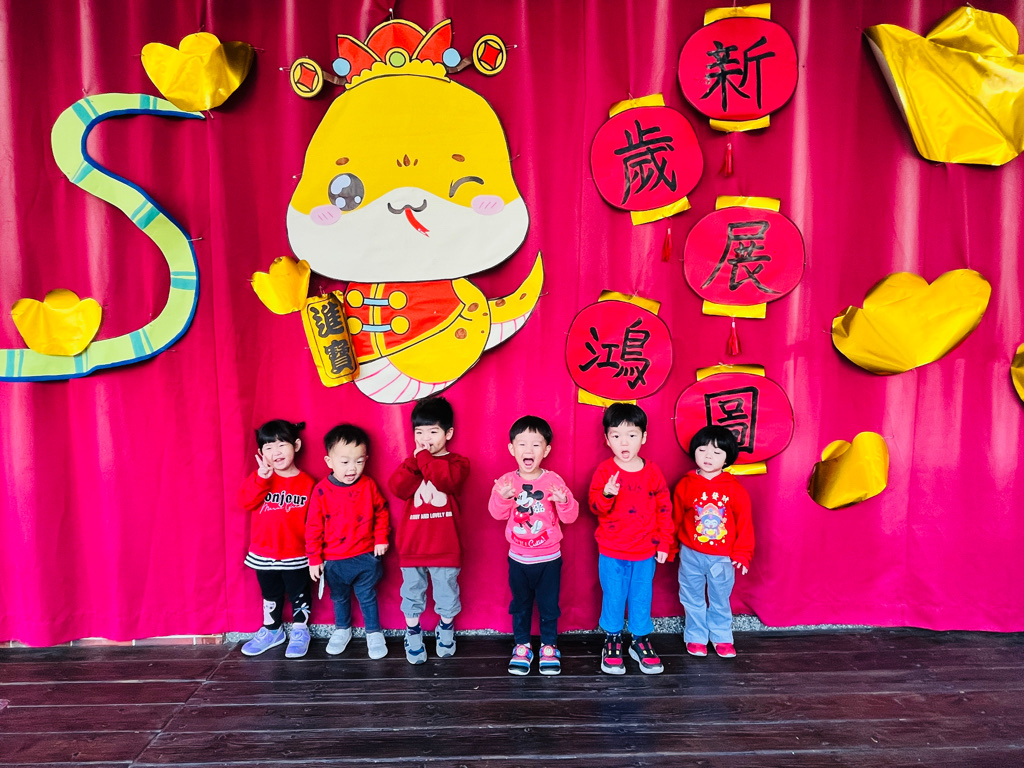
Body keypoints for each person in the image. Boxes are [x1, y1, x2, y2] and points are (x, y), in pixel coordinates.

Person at [587, 403, 674, 676]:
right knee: (613, 595)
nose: (624, 442)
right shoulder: (604, 471)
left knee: (641, 596)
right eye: (616, 435)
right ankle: (612, 638)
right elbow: (595, 507)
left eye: (632, 435)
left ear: (644, 437)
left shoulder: (653, 471)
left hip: (645, 551)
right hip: (612, 550)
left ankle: (639, 639)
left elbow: (664, 508)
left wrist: (665, 542)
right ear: (607, 439)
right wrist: (607, 494)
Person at [489, 416, 579, 676]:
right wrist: (503, 498)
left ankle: (549, 646)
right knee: (520, 605)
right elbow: (495, 514)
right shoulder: (506, 482)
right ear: (511, 449)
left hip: (549, 559)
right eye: (522, 444)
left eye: (536, 445)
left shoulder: (554, 481)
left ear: (546, 450)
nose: (528, 450)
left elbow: (570, 517)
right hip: (518, 559)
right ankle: (522, 646)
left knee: (549, 606)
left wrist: (564, 501)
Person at [388, 396, 471, 664]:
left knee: (447, 593)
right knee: (411, 594)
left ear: (449, 433)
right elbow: (397, 488)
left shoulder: (458, 463)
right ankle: (413, 632)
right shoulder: (413, 463)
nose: (425, 439)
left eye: (433, 432)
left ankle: (445, 627)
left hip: (446, 547)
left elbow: (445, 479)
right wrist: (415, 462)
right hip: (412, 547)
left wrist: (422, 457)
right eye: (419, 432)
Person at [306, 424, 390, 659]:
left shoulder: (369, 485)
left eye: (359, 461)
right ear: (329, 461)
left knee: (367, 596)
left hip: (365, 556)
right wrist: (314, 558)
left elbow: (382, 511)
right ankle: (342, 629)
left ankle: (374, 632)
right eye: (344, 462)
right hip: (334, 560)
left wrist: (381, 537)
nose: (352, 468)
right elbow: (313, 526)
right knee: (339, 597)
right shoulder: (321, 491)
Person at [672, 425, 753, 659]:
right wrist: (669, 546)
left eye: (717, 452)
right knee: (691, 596)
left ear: (727, 458)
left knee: (720, 597)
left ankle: (722, 636)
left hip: (723, 557)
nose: (708, 456)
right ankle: (696, 636)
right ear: (693, 452)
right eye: (702, 450)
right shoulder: (685, 484)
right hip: (691, 553)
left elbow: (745, 523)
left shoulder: (735, 489)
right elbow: (675, 517)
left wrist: (743, 553)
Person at [237, 420, 316, 658]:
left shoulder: (308, 483)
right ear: (261, 453)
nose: (276, 452)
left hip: (296, 553)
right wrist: (262, 478)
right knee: (270, 594)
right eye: (268, 447)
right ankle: (273, 630)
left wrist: (315, 554)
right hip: (264, 553)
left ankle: (300, 630)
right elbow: (245, 502)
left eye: (282, 445)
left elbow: (315, 522)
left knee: (300, 593)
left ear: (296, 445)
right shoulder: (260, 478)